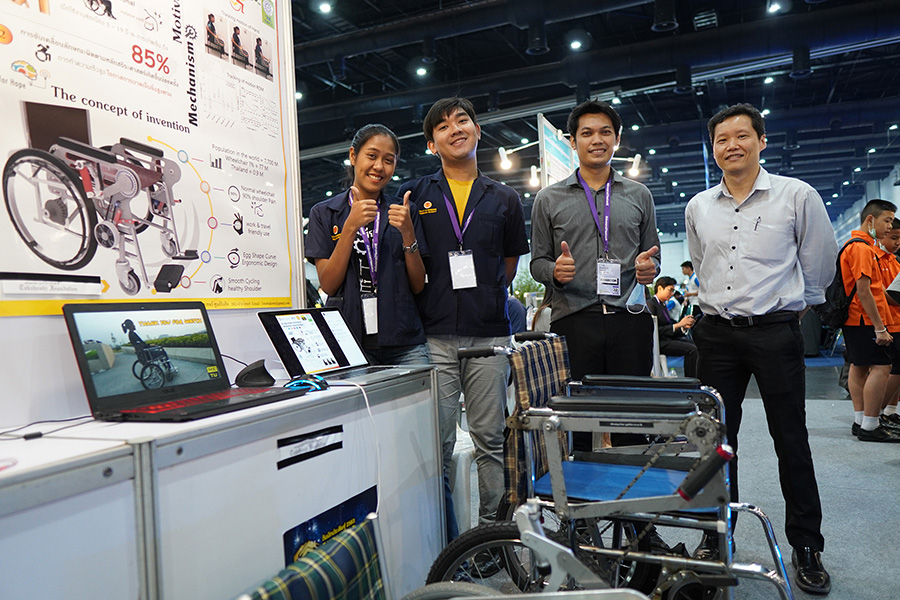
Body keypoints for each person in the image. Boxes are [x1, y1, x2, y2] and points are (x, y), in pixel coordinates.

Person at [685, 103, 837, 595]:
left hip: (774, 331)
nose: (732, 145)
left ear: (761, 141)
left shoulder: (796, 195)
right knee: (714, 442)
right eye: (721, 139)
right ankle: (715, 535)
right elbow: (700, 263)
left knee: (790, 438)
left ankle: (806, 545)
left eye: (742, 136)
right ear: (713, 148)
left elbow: (820, 263)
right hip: (715, 335)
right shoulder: (698, 206)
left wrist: (796, 306)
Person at [399, 97, 529, 527]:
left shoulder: (505, 198)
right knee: (435, 444)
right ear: (431, 144)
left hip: (489, 334)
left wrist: (484, 296)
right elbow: (412, 262)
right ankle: (442, 535)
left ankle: (491, 536)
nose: (454, 129)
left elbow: (508, 266)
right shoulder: (416, 195)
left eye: (462, 120)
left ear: (477, 130)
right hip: (434, 334)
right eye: (442, 126)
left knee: (489, 440)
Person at [530, 99, 660, 448]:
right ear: (573, 142)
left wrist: (649, 269)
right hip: (574, 319)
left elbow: (653, 255)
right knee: (577, 424)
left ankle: (632, 484)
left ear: (617, 139)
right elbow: (537, 262)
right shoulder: (548, 199)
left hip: (629, 318)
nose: (597, 140)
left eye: (605, 132)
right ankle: (581, 484)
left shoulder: (639, 195)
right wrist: (554, 271)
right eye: (586, 133)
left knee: (631, 422)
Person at [305, 124, 429, 366]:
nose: (379, 166)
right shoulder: (324, 213)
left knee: (418, 392)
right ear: (353, 156)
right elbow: (328, 284)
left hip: (403, 341)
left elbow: (417, 285)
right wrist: (350, 228)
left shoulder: (404, 211)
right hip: (349, 339)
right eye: (371, 156)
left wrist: (408, 234)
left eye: (388, 160)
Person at [842, 199, 900, 442]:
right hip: (864, 319)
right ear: (870, 220)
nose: (890, 226)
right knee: (881, 367)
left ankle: (862, 421)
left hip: (859, 319)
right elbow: (865, 291)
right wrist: (879, 327)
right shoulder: (862, 248)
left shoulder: (861, 247)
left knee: (860, 366)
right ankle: (870, 425)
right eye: (887, 220)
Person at [649, 276, 698, 377]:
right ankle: (690, 379)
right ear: (660, 288)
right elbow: (654, 331)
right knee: (692, 350)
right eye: (670, 290)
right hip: (659, 342)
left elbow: (669, 325)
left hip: (667, 338)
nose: (672, 294)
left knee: (695, 344)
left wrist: (683, 327)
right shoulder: (651, 305)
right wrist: (679, 324)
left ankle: (697, 376)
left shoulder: (662, 304)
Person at [877, 218, 900, 432]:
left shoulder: (894, 260)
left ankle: (890, 410)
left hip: (897, 320)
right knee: (891, 368)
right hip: (887, 323)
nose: (898, 242)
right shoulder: (874, 258)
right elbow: (879, 293)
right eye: (894, 237)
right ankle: (875, 413)